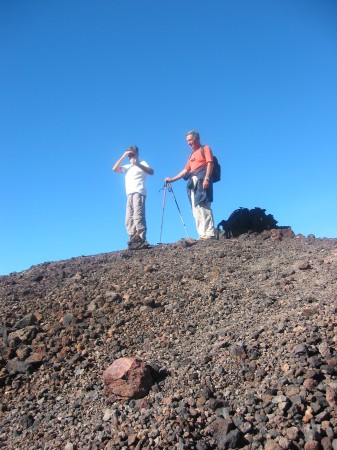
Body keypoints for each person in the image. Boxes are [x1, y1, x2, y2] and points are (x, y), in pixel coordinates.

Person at [165, 130, 215, 240]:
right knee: (195, 207)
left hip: (202, 177)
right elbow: (186, 170)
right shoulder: (191, 155)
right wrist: (172, 179)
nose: (189, 143)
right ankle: (202, 234)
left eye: (190, 140)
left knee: (203, 204)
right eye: (187, 141)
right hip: (193, 181)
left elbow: (210, 163)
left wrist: (206, 178)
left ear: (197, 139)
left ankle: (210, 233)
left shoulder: (205, 148)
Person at [112, 145, 154, 249]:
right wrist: (123, 156)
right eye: (129, 155)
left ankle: (141, 238)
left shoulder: (142, 163)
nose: (131, 156)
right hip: (129, 194)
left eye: (132, 154)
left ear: (137, 154)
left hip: (138, 191)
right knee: (128, 218)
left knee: (138, 216)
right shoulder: (127, 167)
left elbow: (151, 172)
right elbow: (115, 169)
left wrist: (138, 164)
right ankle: (133, 239)